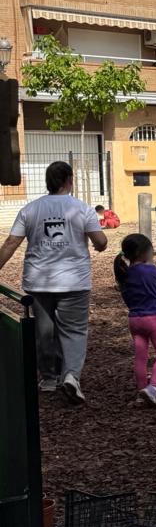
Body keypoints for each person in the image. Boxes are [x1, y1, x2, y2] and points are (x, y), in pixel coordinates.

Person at [0, 162, 108, 403]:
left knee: (44, 331)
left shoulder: (30, 209)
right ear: (69, 180)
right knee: (74, 331)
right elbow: (100, 241)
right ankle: (70, 376)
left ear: (47, 181)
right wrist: (99, 245)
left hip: (38, 282)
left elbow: (10, 243)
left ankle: (48, 378)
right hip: (74, 283)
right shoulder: (82, 209)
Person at [113, 233, 156, 408]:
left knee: (141, 357)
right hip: (154, 318)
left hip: (134, 319)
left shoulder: (124, 273)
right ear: (142, 253)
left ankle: (141, 393)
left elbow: (126, 297)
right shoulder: (152, 270)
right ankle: (153, 388)